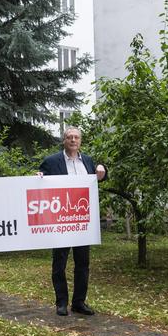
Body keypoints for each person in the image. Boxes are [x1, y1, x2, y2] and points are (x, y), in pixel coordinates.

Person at [38, 126, 107, 317]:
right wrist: (39, 178)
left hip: (82, 221)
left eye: (76, 137)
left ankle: (79, 302)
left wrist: (103, 169)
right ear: (64, 140)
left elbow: (99, 177)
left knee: (82, 263)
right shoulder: (52, 161)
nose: (73, 140)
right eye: (69, 137)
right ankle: (61, 303)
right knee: (59, 262)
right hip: (60, 221)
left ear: (80, 141)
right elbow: (39, 180)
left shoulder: (88, 161)